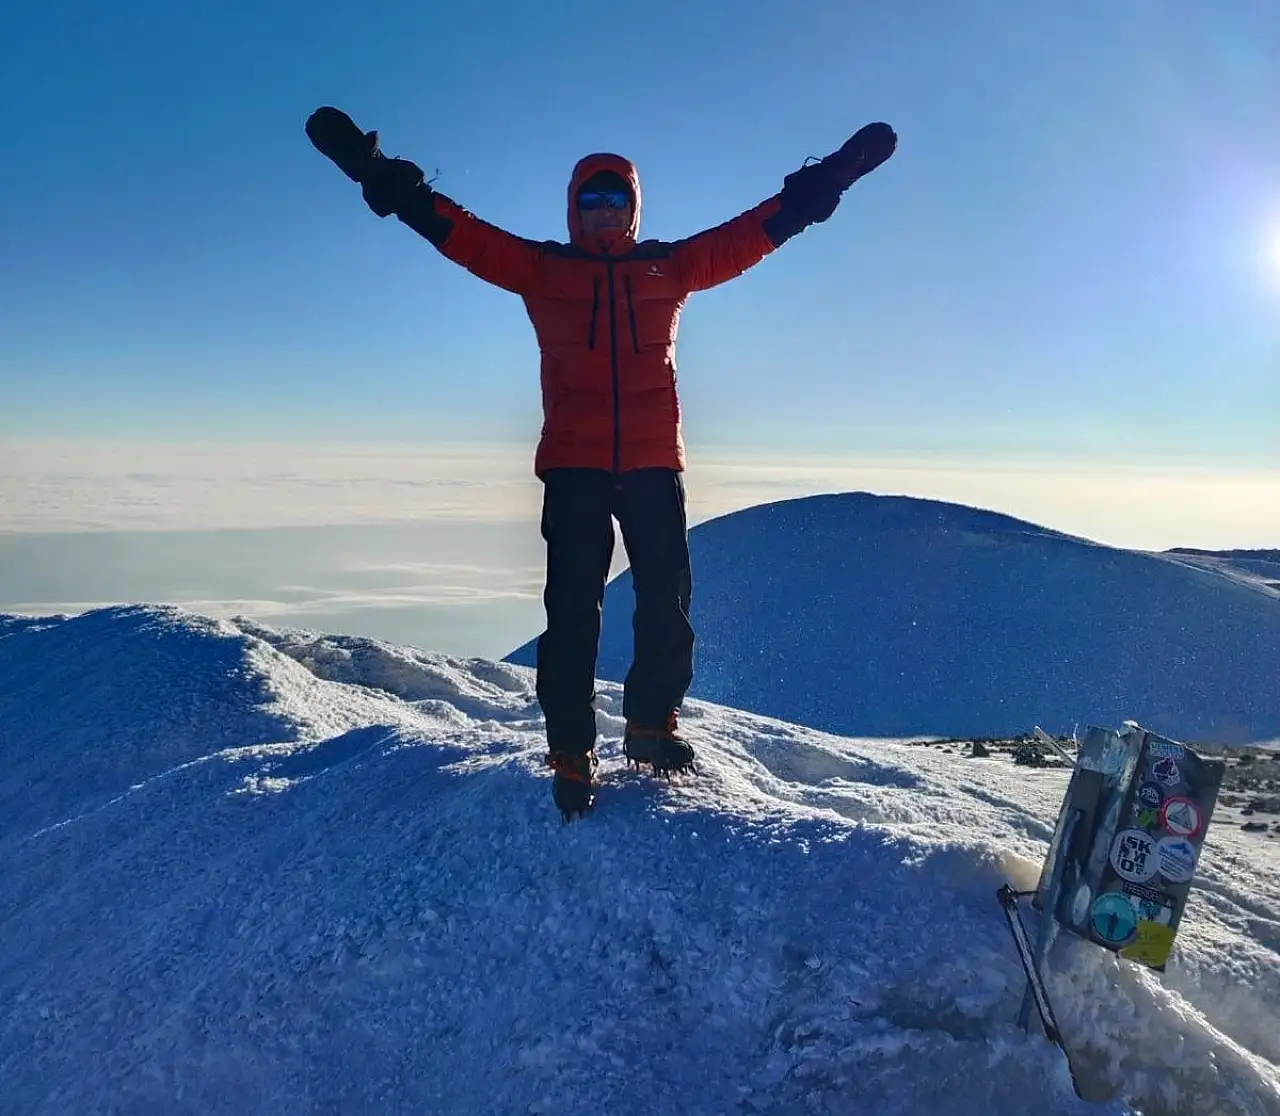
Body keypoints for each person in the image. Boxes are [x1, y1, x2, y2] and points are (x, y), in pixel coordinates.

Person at [306, 107, 898, 821]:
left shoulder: (670, 266)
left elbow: (749, 237)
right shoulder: (541, 269)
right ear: (574, 209)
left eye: (616, 199)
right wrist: (381, 177)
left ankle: (650, 728)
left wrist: (827, 183)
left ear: (634, 208)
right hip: (575, 466)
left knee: (665, 602)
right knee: (573, 612)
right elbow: (461, 235)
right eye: (592, 200)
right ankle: (570, 748)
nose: (604, 211)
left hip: (652, 462)